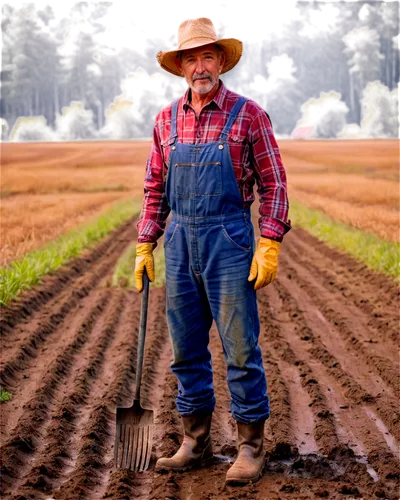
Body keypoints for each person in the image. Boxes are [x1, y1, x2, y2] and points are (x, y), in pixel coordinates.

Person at [134, 15, 291, 485]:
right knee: (185, 351)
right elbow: (154, 187)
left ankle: (249, 446)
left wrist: (269, 241)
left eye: (207, 56)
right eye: (191, 59)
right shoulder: (166, 119)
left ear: (220, 61)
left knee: (240, 349)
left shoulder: (248, 114)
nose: (200, 67)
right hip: (180, 241)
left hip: (229, 240)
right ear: (180, 67)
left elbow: (275, 184)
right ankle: (195, 442)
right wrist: (146, 240)